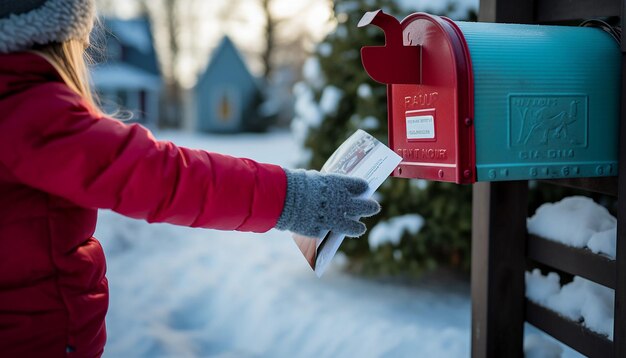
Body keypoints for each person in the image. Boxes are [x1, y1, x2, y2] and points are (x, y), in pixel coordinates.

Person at [0, 0, 381, 356]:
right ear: (56, 35)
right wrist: (291, 197)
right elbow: (161, 176)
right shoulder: (29, 110)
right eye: (82, 41)